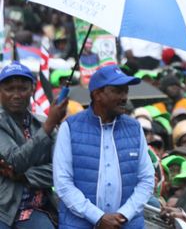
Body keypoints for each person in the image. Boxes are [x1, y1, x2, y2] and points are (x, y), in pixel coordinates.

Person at [53, 65, 155, 228]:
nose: (124, 97)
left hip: (126, 224)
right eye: (117, 91)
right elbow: (63, 183)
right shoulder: (70, 127)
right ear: (97, 94)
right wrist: (98, 217)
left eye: (125, 91)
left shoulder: (135, 128)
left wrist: (124, 215)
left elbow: (147, 179)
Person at [0, 62, 68, 229]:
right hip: (6, 210)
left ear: (32, 89)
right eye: (9, 89)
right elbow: (15, 162)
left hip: (43, 207)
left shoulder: (43, 122)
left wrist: (24, 176)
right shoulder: (47, 125)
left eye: (22, 89)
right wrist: (48, 126)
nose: (16, 95)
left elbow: (61, 171)